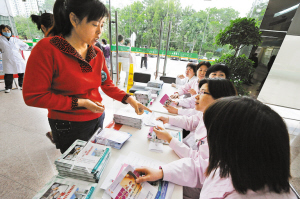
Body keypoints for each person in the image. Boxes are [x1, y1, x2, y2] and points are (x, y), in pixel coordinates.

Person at [23, 0, 151, 153]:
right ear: (74, 19)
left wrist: (130, 100)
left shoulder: (96, 53)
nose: (100, 32)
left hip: (97, 118)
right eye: (95, 24)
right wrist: (81, 102)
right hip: (68, 125)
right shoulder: (48, 49)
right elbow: (34, 96)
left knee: (94, 159)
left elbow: (107, 84)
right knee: (76, 168)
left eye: (102, 25)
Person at [135, 96, 296, 199]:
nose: (210, 141)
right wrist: (163, 172)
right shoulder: (239, 164)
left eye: (215, 134)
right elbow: (202, 168)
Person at [157, 78, 237, 146]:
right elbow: (191, 121)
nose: (196, 97)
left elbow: (198, 160)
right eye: (199, 92)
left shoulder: (219, 131)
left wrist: (170, 139)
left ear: (220, 98)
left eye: (202, 93)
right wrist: (168, 119)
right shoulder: (205, 113)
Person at [165, 64, 230, 115]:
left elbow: (197, 112)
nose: (217, 77)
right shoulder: (203, 85)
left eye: (221, 75)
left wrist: (177, 110)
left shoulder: (223, 96)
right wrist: (177, 101)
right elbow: (191, 98)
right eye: (214, 74)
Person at [0, 25, 29, 93]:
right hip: (7, 58)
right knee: (8, 74)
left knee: (21, 72)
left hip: (18, 58)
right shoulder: (0, 39)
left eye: (8, 30)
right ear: (1, 31)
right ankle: (8, 87)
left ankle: (22, 85)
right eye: (4, 30)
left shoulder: (15, 39)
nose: (7, 32)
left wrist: (19, 49)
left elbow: (26, 46)